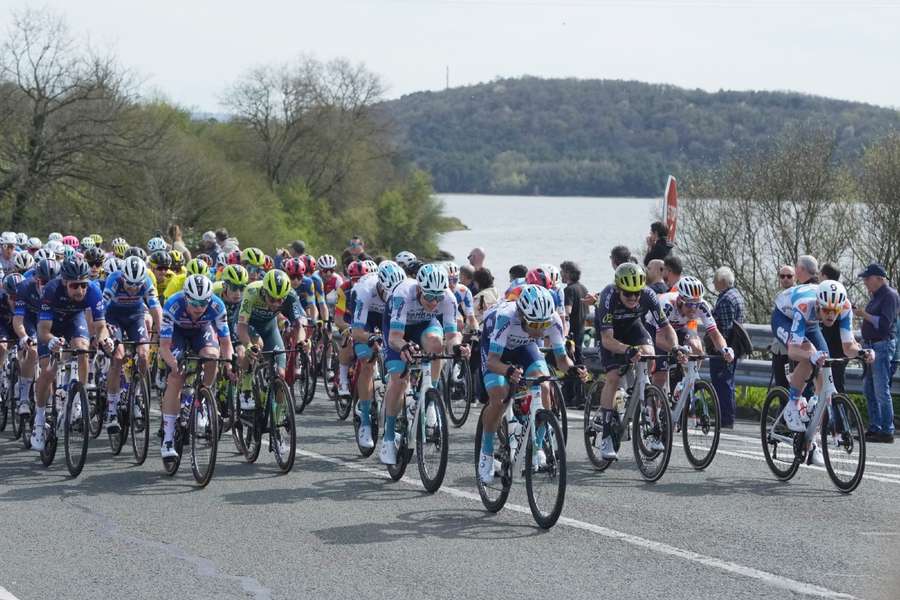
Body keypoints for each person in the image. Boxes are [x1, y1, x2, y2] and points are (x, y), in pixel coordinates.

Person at [477, 285, 585, 483]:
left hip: (525, 347)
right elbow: (493, 361)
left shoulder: (551, 320)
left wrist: (573, 368)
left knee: (544, 385)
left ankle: (538, 446)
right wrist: (508, 371)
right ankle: (486, 452)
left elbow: (561, 360)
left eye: (543, 326)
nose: (540, 331)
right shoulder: (506, 317)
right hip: (496, 351)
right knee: (499, 396)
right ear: (521, 314)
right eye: (535, 326)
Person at [379, 263, 467, 465]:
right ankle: (389, 436)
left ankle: (428, 397)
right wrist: (403, 348)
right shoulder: (403, 294)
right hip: (397, 330)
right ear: (419, 288)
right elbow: (395, 337)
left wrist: (457, 348)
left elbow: (452, 335)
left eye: (438, 297)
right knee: (399, 379)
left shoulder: (448, 299)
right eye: (429, 297)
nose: (434, 302)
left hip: (424, 326)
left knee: (437, 346)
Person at [593, 263, 680, 460]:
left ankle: (639, 392)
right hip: (610, 333)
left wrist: (675, 347)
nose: (633, 298)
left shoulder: (648, 295)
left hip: (633, 327)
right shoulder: (609, 296)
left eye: (636, 294)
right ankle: (606, 435)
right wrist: (627, 350)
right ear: (618, 289)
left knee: (649, 354)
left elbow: (667, 328)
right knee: (614, 377)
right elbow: (607, 339)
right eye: (628, 294)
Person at [782, 280, 872, 465]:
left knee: (824, 363)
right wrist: (810, 355)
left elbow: (848, 347)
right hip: (786, 316)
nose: (831, 315)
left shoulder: (845, 306)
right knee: (809, 355)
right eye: (826, 311)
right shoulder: (806, 305)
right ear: (818, 305)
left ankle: (811, 442)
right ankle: (792, 405)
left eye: (835, 311)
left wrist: (863, 352)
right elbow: (793, 350)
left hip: (812, 322)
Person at [32, 257, 113, 451]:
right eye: (75, 286)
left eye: (83, 285)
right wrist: (51, 340)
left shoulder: (93, 290)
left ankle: (79, 399)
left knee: (83, 349)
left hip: (73, 320)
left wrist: (105, 340)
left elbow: (101, 326)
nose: (80, 290)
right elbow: (43, 330)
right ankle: (40, 419)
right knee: (48, 371)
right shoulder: (52, 290)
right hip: (50, 324)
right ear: (65, 282)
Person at [158, 274, 233, 459]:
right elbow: (164, 347)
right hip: (177, 333)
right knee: (176, 377)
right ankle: (167, 439)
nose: (199, 308)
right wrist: (174, 364)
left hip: (201, 331)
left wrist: (229, 364)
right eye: (194, 303)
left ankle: (204, 398)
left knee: (212, 356)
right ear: (185, 297)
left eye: (203, 303)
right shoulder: (172, 305)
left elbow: (225, 342)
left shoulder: (217, 305)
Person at [350, 260, 405, 449]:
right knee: (366, 361)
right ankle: (365, 420)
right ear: (380, 285)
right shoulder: (364, 291)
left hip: (388, 317)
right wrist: (371, 337)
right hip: (367, 317)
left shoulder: (401, 294)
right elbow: (357, 332)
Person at [854, 263, 898, 443]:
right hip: (871, 346)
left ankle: (887, 430)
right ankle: (875, 427)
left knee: (880, 390)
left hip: (881, 345)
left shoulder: (890, 296)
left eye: (867, 278)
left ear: (879, 279)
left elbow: (885, 324)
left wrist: (864, 315)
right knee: (869, 389)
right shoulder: (877, 296)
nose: (865, 281)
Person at [710, 267, 744, 428]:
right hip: (735, 347)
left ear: (721, 282)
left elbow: (725, 328)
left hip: (725, 348)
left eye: (715, 280)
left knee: (722, 383)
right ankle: (727, 416)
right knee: (728, 383)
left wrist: (719, 346)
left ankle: (725, 418)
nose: (713, 283)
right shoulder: (736, 295)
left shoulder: (725, 300)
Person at [561, 261, 588, 407]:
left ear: (569, 273)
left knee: (570, 363)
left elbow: (567, 311)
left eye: (563, 271)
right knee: (580, 361)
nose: (561, 274)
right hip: (581, 330)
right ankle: (581, 396)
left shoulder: (569, 290)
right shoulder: (583, 288)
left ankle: (571, 396)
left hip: (571, 333)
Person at [819, 263, 846, 392]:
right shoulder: (842, 295)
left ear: (823, 275)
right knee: (837, 388)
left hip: (828, 348)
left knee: (824, 389)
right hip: (840, 350)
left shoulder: (820, 294)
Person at [770, 265, 795, 389]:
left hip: (791, 351)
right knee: (780, 387)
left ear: (794, 278)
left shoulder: (798, 296)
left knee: (792, 386)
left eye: (789, 276)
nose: (785, 279)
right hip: (777, 350)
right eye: (782, 276)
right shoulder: (778, 297)